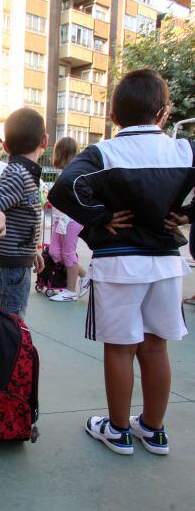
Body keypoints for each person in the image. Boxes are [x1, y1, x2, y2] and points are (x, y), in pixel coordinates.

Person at [50, 69, 194, 456]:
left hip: (118, 263)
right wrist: (187, 214)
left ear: (113, 115)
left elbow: (64, 188)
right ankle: (153, 428)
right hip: (165, 262)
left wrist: (100, 217)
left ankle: (117, 430)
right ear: (163, 112)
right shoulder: (183, 150)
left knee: (120, 347)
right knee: (155, 345)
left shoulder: (104, 152)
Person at [0, 108, 46, 319]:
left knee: (7, 326)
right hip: (8, 270)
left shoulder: (25, 173)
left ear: (5, 146)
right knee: (8, 328)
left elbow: (20, 219)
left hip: (15, 264)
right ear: (45, 141)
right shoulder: (18, 174)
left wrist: (32, 250)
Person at [47, 137, 90, 302]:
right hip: (61, 217)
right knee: (54, 252)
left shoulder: (75, 172)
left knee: (67, 252)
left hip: (71, 218)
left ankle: (71, 290)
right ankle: (85, 276)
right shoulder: (66, 172)